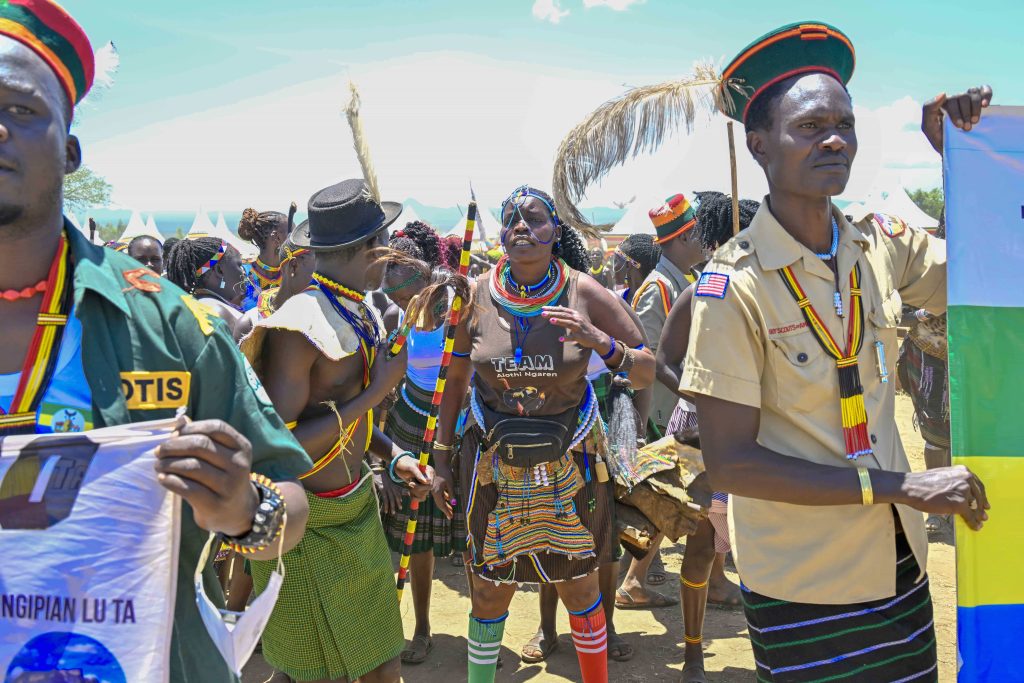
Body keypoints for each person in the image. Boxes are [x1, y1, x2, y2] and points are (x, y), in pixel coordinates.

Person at [0, 4, 312, 682]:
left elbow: (290, 504)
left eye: (20, 109)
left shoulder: (171, 327)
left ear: (70, 151)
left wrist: (240, 509)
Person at [679, 22, 991, 681]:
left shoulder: (878, 243)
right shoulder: (732, 285)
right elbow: (731, 463)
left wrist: (957, 157)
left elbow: (980, 274)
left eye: (845, 124)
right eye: (811, 124)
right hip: (803, 582)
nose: (835, 139)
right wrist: (902, 485)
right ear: (758, 144)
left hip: (896, 560)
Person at [431, 185, 655, 683]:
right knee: (487, 590)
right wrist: (441, 457)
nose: (520, 228)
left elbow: (646, 370)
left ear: (556, 231)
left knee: (579, 586)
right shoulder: (475, 295)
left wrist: (600, 341)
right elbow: (456, 381)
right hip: (492, 461)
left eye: (534, 219)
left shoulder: (584, 291)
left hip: (570, 462)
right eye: (511, 219)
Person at [240, 179, 435, 683]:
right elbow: (278, 444)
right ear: (370, 249)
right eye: (384, 243)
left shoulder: (357, 309)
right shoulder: (298, 326)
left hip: (355, 511)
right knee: (312, 671)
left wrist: (392, 455)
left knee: (378, 663)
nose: (390, 253)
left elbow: (346, 417)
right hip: (309, 526)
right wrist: (380, 389)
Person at [654, 191, 757, 682]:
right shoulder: (700, 293)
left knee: (748, 544)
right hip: (701, 443)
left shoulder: (772, 292)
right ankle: (694, 655)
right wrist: (699, 395)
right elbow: (662, 360)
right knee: (701, 545)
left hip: (765, 445)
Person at [376, 220, 465, 666]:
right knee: (417, 535)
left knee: (469, 530)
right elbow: (389, 373)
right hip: (411, 423)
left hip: (455, 426)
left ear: (419, 275)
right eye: (388, 293)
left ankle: (484, 630)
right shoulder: (399, 314)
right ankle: (422, 628)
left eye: (397, 289)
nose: (392, 300)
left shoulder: (453, 304)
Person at [896, 217, 951, 534]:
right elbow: (903, 301)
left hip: (972, 352)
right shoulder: (928, 258)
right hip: (929, 351)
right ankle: (936, 508)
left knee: (964, 435)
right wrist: (918, 311)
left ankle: (956, 501)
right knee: (934, 435)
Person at [233, 233, 315, 341]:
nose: (325, 279)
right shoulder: (250, 324)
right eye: (318, 269)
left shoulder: (323, 319)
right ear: (294, 267)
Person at [166, 236, 246, 328]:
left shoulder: (199, 303)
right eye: (239, 266)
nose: (243, 272)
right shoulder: (217, 313)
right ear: (219, 270)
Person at [238, 204, 295, 310]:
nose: (296, 240)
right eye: (292, 235)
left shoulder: (294, 274)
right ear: (276, 238)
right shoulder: (241, 276)